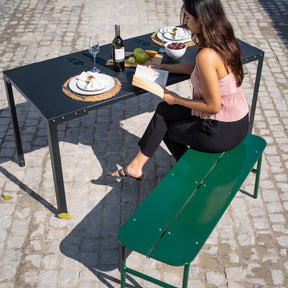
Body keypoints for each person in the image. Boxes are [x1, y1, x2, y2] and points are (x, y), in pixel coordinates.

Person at [109, 0, 249, 179]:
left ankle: (196, 175)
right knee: (163, 110)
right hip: (239, 121)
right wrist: (165, 67)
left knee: (168, 130)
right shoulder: (224, 40)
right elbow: (199, 69)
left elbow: (213, 106)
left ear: (202, 19)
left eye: (188, 17)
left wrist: (177, 99)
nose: (184, 22)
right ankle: (136, 166)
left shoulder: (206, 55)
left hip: (221, 129)